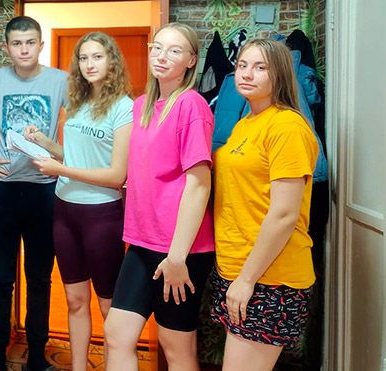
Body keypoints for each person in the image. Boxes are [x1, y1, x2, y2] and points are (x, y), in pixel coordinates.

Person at [104, 22, 215, 370]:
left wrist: (177, 257)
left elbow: (200, 184)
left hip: (181, 250)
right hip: (142, 242)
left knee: (175, 347)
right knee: (117, 335)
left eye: (174, 50)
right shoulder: (141, 106)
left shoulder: (192, 105)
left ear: (191, 61)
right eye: (158, 47)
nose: (162, 56)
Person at [23, 32, 132, 371]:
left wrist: (60, 169)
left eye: (97, 57)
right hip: (65, 211)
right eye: (83, 58)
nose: (89, 64)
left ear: (111, 61)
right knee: (74, 300)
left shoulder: (124, 107)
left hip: (102, 215)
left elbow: (116, 175)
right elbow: (74, 156)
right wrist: (45, 143)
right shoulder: (77, 103)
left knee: (108, 306)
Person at [210, 39, 318, 371]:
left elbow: (284, 214)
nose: (246, 74)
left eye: (260, 67)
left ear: (280, 74)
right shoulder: (246, 122)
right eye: (242, 65)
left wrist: (247, 279)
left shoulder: (287, 127)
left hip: (269, 276)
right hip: (237, 267)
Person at [0, 15, 68, 371]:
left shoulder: (61, 81)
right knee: (0, 279)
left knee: (40, 278)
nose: (24, 49)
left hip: (44, 191)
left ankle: (37, 357)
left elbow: (82, 125)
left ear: (41, 45)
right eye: (16, 43)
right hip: (4, 192)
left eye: (30, 43)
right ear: (6, 47)